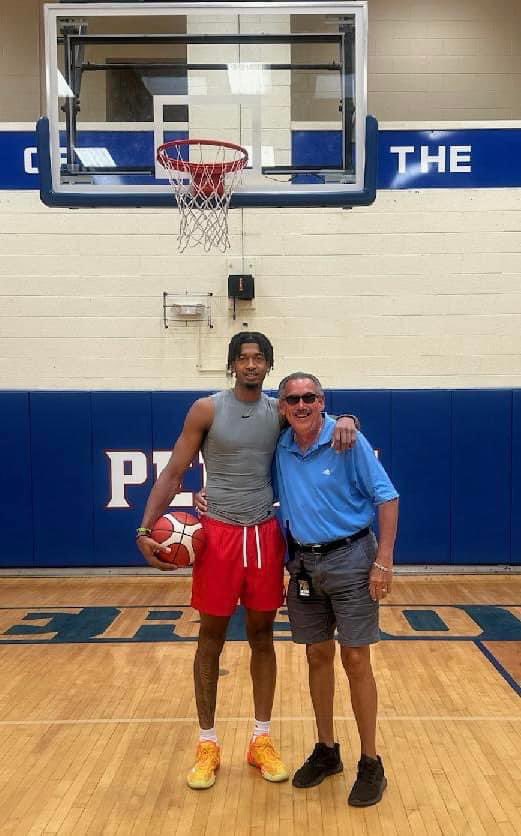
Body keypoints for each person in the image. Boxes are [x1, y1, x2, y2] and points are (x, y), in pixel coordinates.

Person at [135, 333, 358, 791]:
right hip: (217, 534)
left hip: (262, 534)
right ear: (232, 364)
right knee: (210, 638)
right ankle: (207, 743)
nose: (251, 365)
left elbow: (320, 420)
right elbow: (174, 471)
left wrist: (350, 418)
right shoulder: (206, 409)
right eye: (243, 358)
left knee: (262, 637)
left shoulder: (279, 411)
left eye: (259, 358)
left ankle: (261, 739)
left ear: (268, 365)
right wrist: (144, 529)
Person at [274, 371, 399, 808]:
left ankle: (371, 762)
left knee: (356, 658)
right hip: (304, 564)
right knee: (316, 655)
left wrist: (384, 560)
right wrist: (207, 495)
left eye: (309, 397)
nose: (302, 405)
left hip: (352, 558)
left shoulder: (347, 439)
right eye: (293, 399)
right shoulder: (281, 445)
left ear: (322, 401)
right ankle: (327, 750)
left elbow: (387, 497)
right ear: (282, 406)